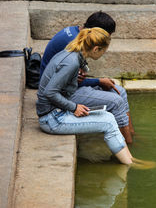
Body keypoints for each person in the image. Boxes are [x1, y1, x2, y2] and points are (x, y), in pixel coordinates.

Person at [36, 27, 156, 169]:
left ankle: (129, 158)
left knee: (107, 115)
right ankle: (130, 163)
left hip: (56, 112)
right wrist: (74, 107)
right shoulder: (72, 62)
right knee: (109, 122)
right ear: (96, 49)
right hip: (51, 119)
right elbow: (49, 92)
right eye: (104, 51)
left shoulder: (72, 53)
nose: (104, 54)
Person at [40, 11, 134, 144]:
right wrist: (98, 81)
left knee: (121, 92)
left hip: (65, 85)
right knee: (116, 101)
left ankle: (130, 135)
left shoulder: (77, 35)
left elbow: (75, 77)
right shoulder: (72, 46)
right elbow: (61, 86)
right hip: (62, 94)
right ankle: (128, 144)